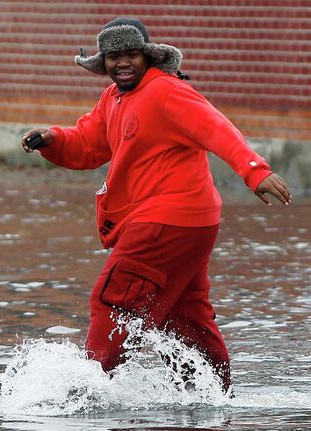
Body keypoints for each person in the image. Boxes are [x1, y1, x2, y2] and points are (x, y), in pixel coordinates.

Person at [21, 17, 291, 394]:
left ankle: (91, 391)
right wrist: (52, 139)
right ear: (104, 63)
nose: (123, 63)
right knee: (184, 316)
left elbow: (217, 128)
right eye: (114, 57)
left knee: (112, 300)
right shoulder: (113, 98)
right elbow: (89, 143)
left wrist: (254, 171)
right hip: (185, 224)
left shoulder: (167, 91)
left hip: (165, 220)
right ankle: (208, 396)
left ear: (148, 56)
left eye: (131, 54)